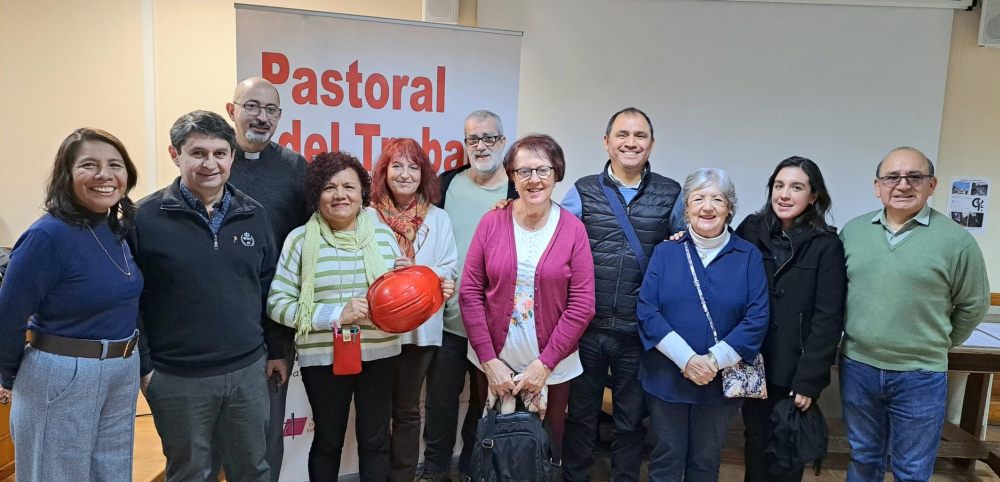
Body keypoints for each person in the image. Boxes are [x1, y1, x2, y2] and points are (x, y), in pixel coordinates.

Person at [131, 110, 279, 482]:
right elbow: (131, 301)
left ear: (231, 156)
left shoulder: (254, 214)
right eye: (198, 153)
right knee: (190, 473)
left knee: (253, 469)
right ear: (175, 154)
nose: (209, 163)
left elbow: (267, 286)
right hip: (177, 377)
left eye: (219, 153)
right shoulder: (144, 218)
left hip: (247, 372)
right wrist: (146, 368)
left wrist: (276, 350)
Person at [839, 147, 990, 482]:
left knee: (911, 468)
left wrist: (934, 343)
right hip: (858, 367)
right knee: (863, 457)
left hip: (920, 374)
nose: (903, 185)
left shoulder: (956, 242)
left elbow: (974, 305)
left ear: (931, 184)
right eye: (892, 177)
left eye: (914, 177)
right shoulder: (853, 232)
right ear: (877, 186)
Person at [0, 128, 143, 482]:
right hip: (63, 372)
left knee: (112, 475)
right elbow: (8, 314)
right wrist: (9, 377)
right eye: (89, 165)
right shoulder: (46, 236)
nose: (104, 175)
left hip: (121, 370)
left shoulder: (113, 229)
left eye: (115, 164)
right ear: (66, 175)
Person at [268, 151, 417, 481]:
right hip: (323, 358)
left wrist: (408, 282)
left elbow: (399, 300)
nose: (340, 195)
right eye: (329, 187)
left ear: (362, 192)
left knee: (376, 441)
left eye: (349, 187)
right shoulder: (299, 240)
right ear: (316, 194)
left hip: (380, 353)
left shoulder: (382, 236)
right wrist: (336, 314)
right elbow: (277, 303)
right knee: (328, 442)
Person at [561, 107, 683, 482]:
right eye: (623, 135)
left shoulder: (671, 193)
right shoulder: (583, 190)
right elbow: (554, 239)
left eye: (640, 135)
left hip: (639, 331)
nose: (631, 143)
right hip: (588, 328)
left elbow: (685, 253)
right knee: (580, 417)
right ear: (607, 142)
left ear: (651, 143)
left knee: (631, 422)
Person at [461, 134, 596, 462]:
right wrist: (488, 361)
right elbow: (469, 292)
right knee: (494, 449)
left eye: (543, 170)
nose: (534, 180)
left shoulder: (573, 229)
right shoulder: (492, 222)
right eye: (524, 171)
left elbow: (582, 304)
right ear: (512, 176)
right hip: (494, 363)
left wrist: (544, 365)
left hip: (552, 368)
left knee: (544, 451)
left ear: (556, 173)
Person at [637, 167, 769, 482]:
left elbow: (756, 318)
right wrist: (687, 359)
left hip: (719, 383)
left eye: (717, 200)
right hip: (667, 378)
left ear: (729, 209)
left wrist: (711, 362)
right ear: (686, 208)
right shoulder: (667, 251)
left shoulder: (748, 255)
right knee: (665, 460)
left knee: (706, 463)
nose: (707, 207)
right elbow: (647, 310)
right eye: (698, 199)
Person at [417, 109, 518, 481]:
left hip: (496, 327)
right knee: (441, 404)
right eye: (473, 139)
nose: (481, 146)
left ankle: (476, 469)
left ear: (503, 142)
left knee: (484, 405)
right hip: (447, 321)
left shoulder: (518, 191)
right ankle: (435, 470)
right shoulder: (446, 184)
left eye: (489, 138)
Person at [735, 156, 846, 482]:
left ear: (813, 196)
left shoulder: (827, 245)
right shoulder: (751, 230)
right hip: (753, 362)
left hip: (794, 369)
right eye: (779, 186)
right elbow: (718, 258)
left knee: (786, 449)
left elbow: (828, 318)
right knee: (755, 443)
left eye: (796, 187)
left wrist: (809, 380)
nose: (784, 194)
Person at [225, 76, 309, 481]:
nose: (261, 117)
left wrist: (279, 341)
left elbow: (310, 246)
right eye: (252, 106)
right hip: (215, 327)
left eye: (271, 110)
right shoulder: (215, 161)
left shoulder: (295, 169)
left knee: (265, 435)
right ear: (232, 110)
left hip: (272, 327)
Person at [369, 138, 458, 482]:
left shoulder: (439, 218)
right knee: (375, 413)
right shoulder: (367, 215)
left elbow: (449, 266)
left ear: (424, 174)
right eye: (397, 166)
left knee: (407, 411)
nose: (405, 174)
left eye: (414, 166)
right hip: (376, 331)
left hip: (422, 330)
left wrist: (427, 278)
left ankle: (403, 476)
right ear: (383, 171)